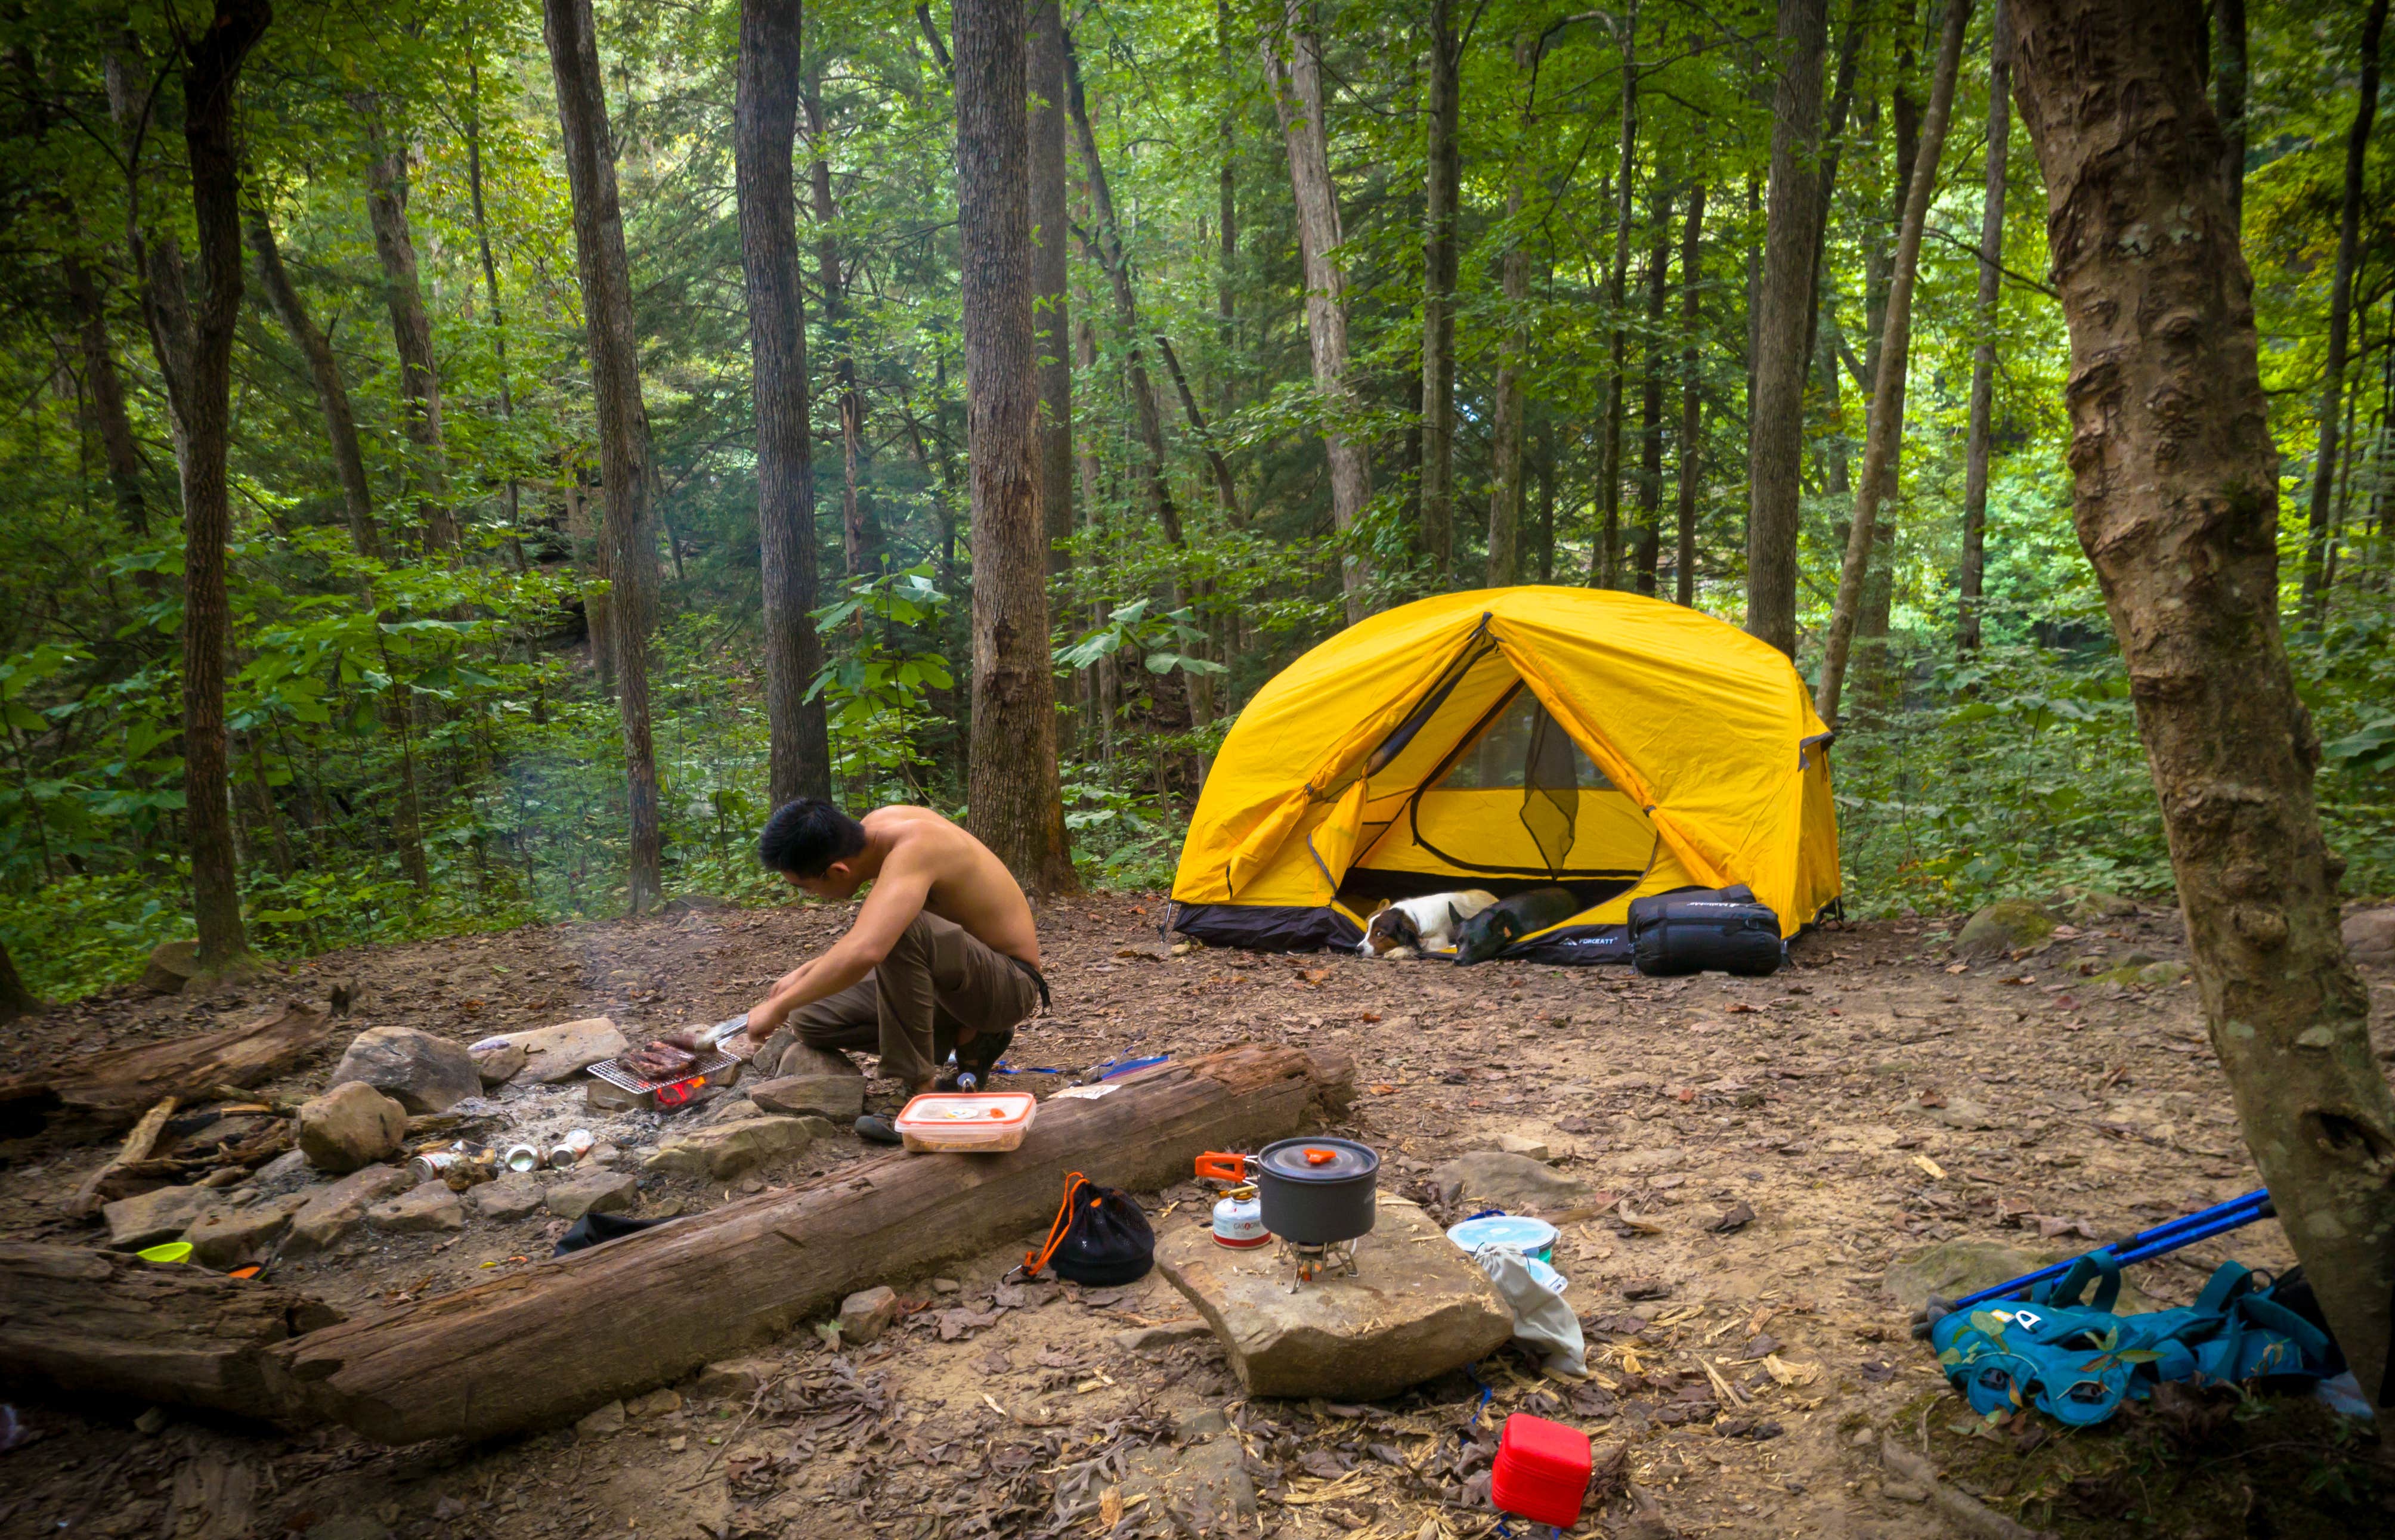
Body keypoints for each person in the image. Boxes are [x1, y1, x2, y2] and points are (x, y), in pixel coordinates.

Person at [742, 799, 1045, 1143]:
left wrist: (775, 1008)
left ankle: (920, 1090)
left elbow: (871, 947)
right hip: (952, 980)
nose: (809, 895)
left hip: (1008, 986)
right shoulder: (874, 832)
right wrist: (805, 978)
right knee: (809, 1015)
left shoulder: (916, 847)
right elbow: (875, 929)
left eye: (807, 887)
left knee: (903, 935)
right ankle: (971, 1037)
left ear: (839, 870)